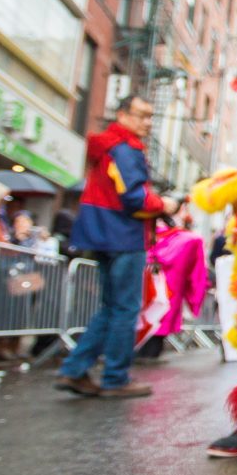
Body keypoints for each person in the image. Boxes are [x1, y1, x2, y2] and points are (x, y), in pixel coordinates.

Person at [54, 96, 177, 399]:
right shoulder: (124, 148)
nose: (148, 122)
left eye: (150, 116)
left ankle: (75, 369)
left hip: (104, 232)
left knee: (112, 307)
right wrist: (165, 204)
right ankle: (115, 377)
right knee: (125, 308)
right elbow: (136, 199)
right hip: (122, 235)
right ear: (122, 115)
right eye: (142, 115)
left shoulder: (111, 147)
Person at [135, 217, 208, 362]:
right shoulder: (188, 240)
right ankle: (149, 355)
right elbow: (197, 275)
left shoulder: (140, 235)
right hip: (170, 293)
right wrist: (195, 298)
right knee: (160, 321)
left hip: (147, 291)